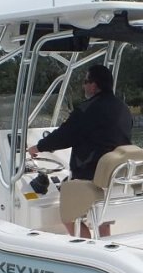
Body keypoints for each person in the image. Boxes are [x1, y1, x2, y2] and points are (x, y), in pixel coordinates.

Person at [27, 64, 132, 237]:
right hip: (116, 178)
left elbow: (64, 136)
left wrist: (38, 147)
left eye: (85, 82)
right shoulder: (123, 109)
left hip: (90, 177)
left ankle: (86, 247)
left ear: (94, 85)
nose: (83, 86)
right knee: (102, 215)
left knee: (69, 215)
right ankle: (103, 242)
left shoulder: (87, 110)